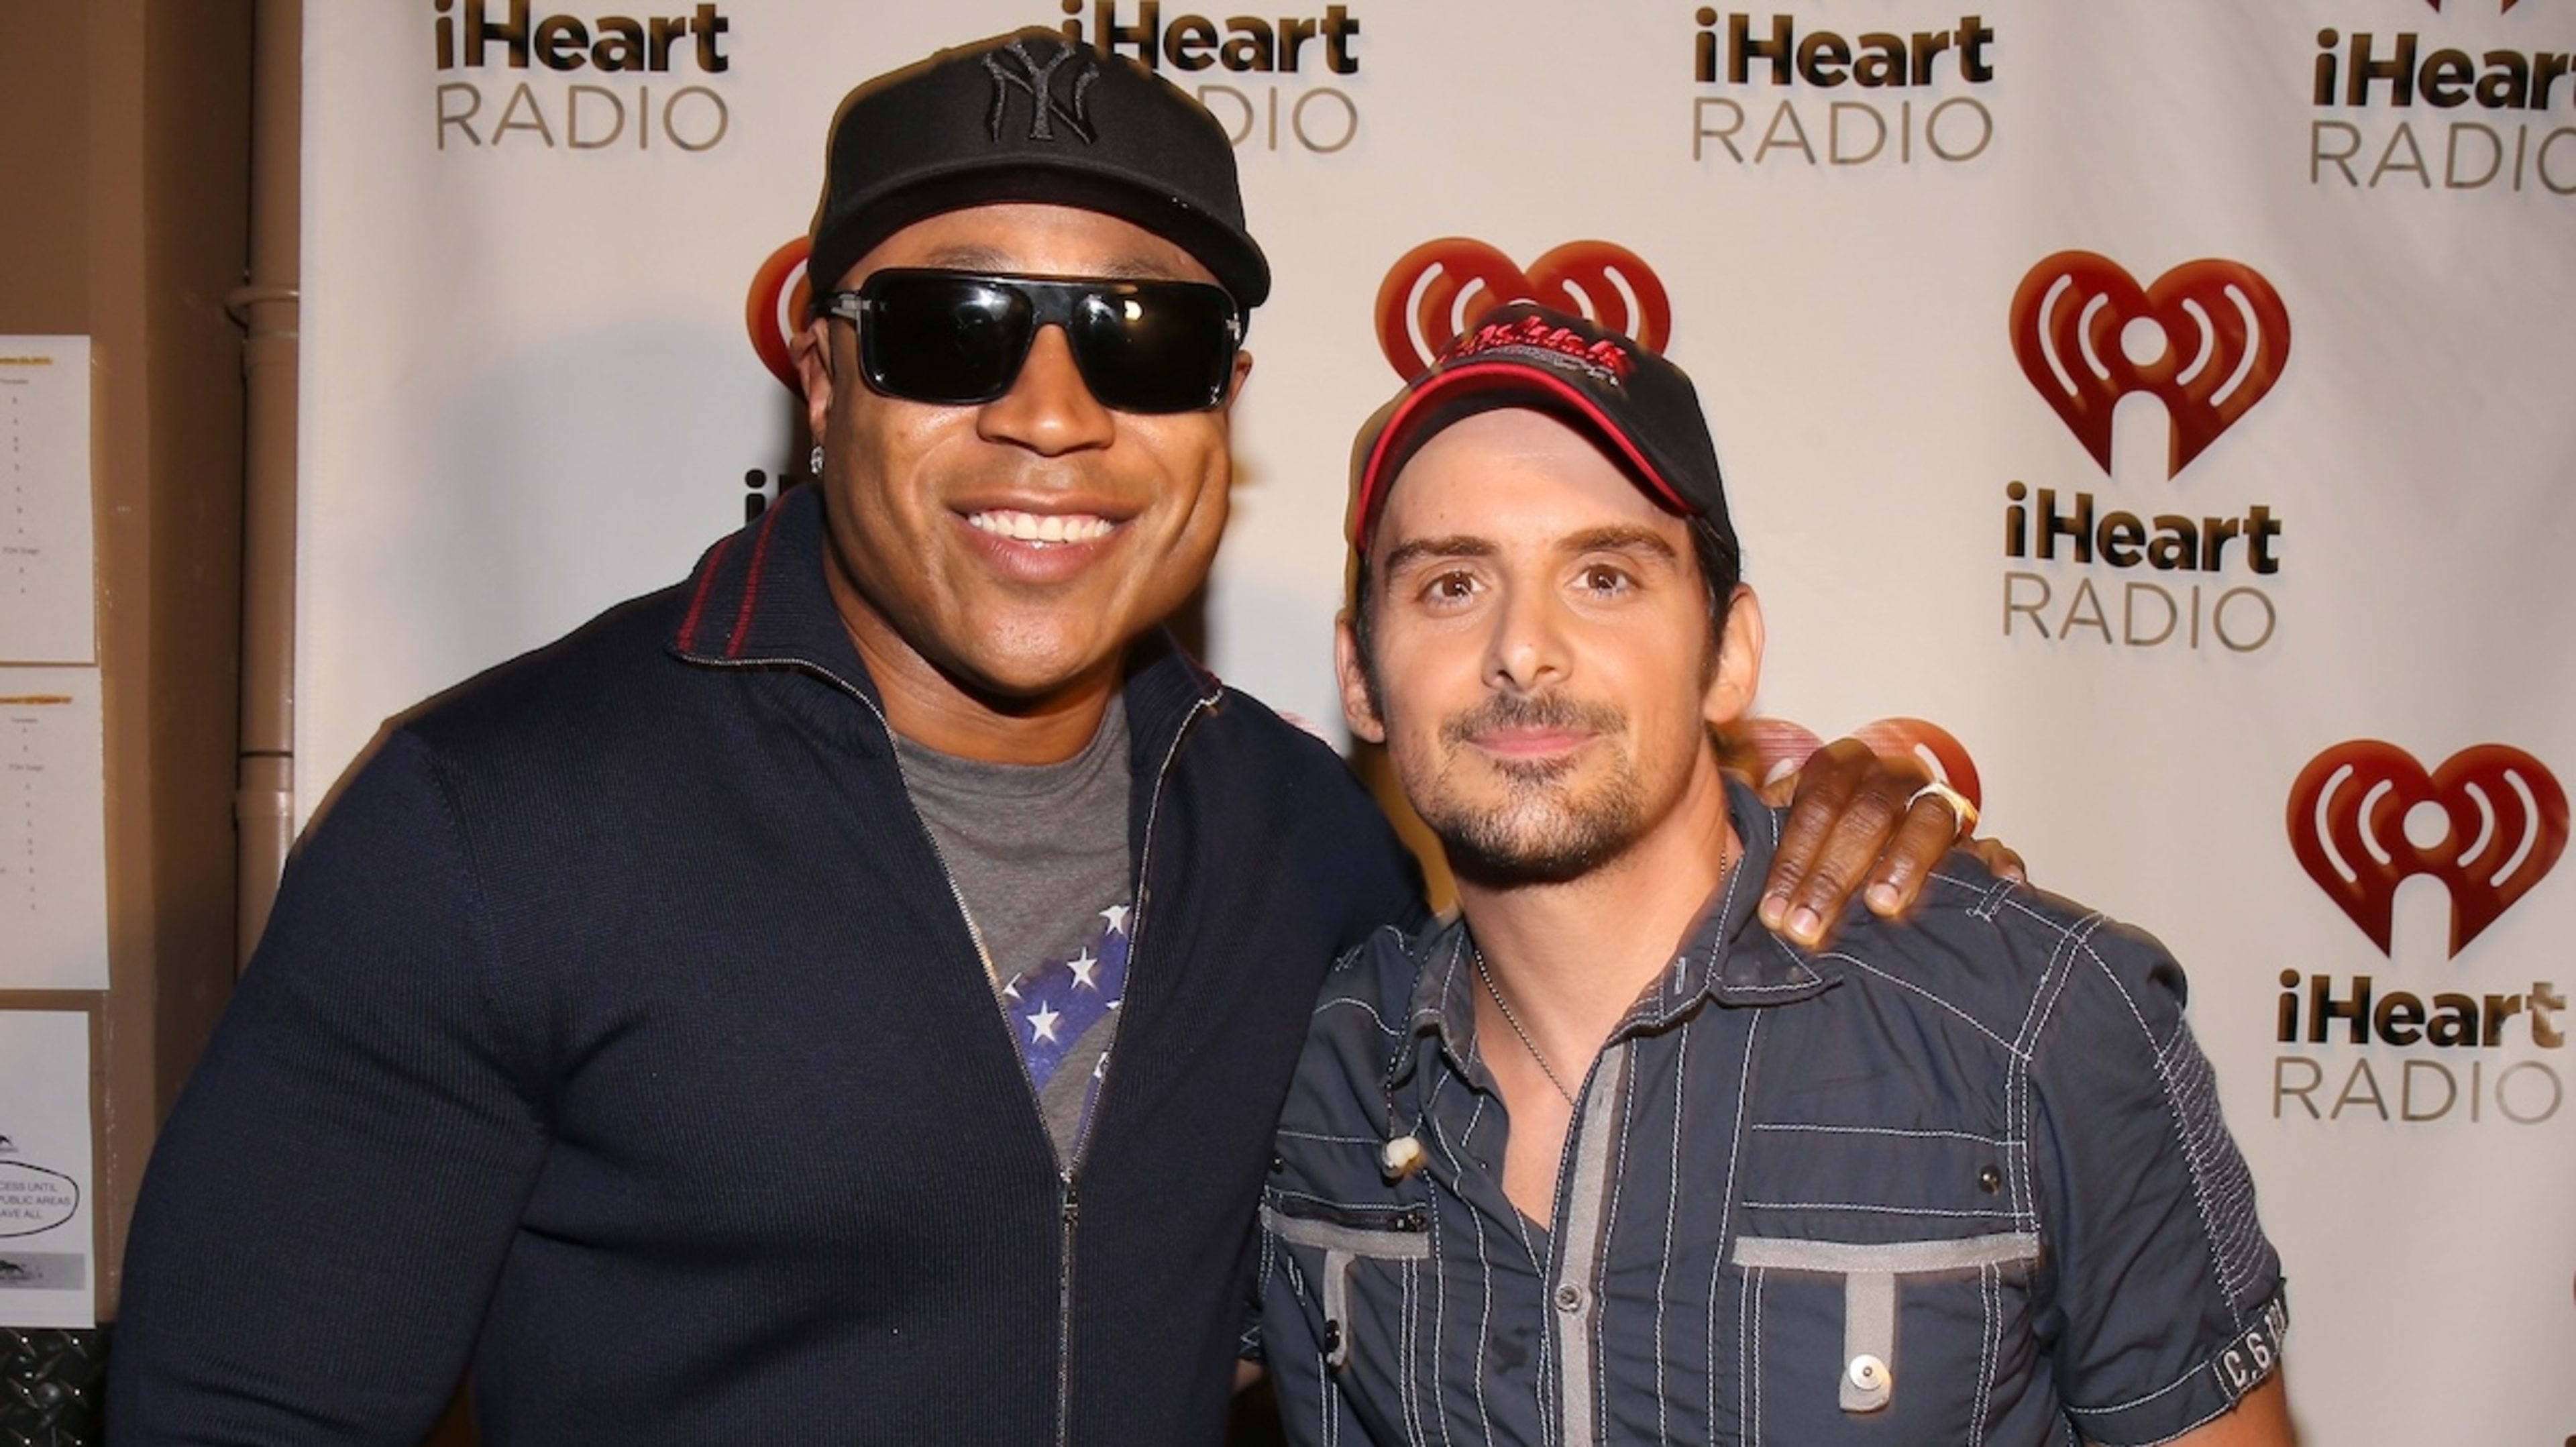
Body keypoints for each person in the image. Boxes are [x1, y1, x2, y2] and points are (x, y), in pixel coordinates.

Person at [105, 33, 1978, 1447]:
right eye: (953, 327)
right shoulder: (495, 819)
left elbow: (1592, 989)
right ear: (826, 380)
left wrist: (1824, 817)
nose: (1053, 410)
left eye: (1142, 341)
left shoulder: (1303, 834)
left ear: (1220, 408)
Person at [1252, 303, 2293, 1447]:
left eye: (1603, 575)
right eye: (1451, 583)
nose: (1522, 647)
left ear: (1729, 650)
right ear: (1360, 675)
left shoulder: (2036, 1026)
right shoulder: (1306, 1073)